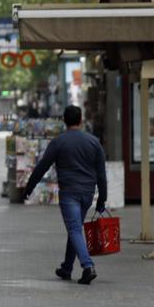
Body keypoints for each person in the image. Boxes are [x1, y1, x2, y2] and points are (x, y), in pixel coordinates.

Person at [20, 105, 107, 286]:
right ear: (80, 120)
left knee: (74, 229)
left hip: (70, 194)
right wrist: (102, 199)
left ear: (64, 121)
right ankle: (67, 267)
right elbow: (101, 174)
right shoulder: (94, 142)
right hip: (87, 194)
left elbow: (42, 166)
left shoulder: (59, 142)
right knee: (74, 227)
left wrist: (29, 188)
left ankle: (88, 266)